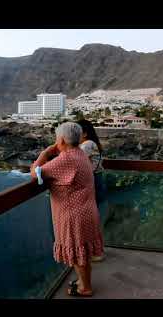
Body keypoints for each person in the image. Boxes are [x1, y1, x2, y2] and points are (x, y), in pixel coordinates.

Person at [30, 122, 104, 297]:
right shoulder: (80, 154)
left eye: (57, 138)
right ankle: (82, 282)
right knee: (83, 251)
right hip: (87, 210)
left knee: (79, 254)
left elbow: (35, 172)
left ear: (61, 139)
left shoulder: (65, 159)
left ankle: (85, 288)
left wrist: (45, 153)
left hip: (73, 215)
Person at [76, 119, 106, 262]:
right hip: (97, 180)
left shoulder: (87, 145)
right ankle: (96, 250)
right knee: (92, 218)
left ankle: (95, 252)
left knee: (89, 220)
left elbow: (76, 162)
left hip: (93, 182)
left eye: (77, 131)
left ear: (85, 133)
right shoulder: (92, 143)